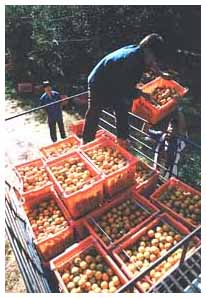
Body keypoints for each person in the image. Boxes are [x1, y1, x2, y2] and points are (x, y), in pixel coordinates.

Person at [82, 33, 172, 146]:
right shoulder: (131, 60)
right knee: (95, 110)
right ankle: (86, 141)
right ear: (147, 50)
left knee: (122, 106)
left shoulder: (139, 51)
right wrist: (142, 94)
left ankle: (122, 139)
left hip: (115, 79)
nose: (153, 60)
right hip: (99, 81)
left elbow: (150, 64)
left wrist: (160, 73)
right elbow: (123, 87)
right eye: (153, 57)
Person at [146, 111, 188, 179]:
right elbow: (146, 130)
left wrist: (179, 111)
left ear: (178, 132)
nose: (171, 129)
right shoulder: (161, 135)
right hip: (156, 170)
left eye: (174, 129)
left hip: (169, 176)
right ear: (167, 127)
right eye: (170, 126)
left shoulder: (180, 143)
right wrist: (149, 115)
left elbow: (183, 129)